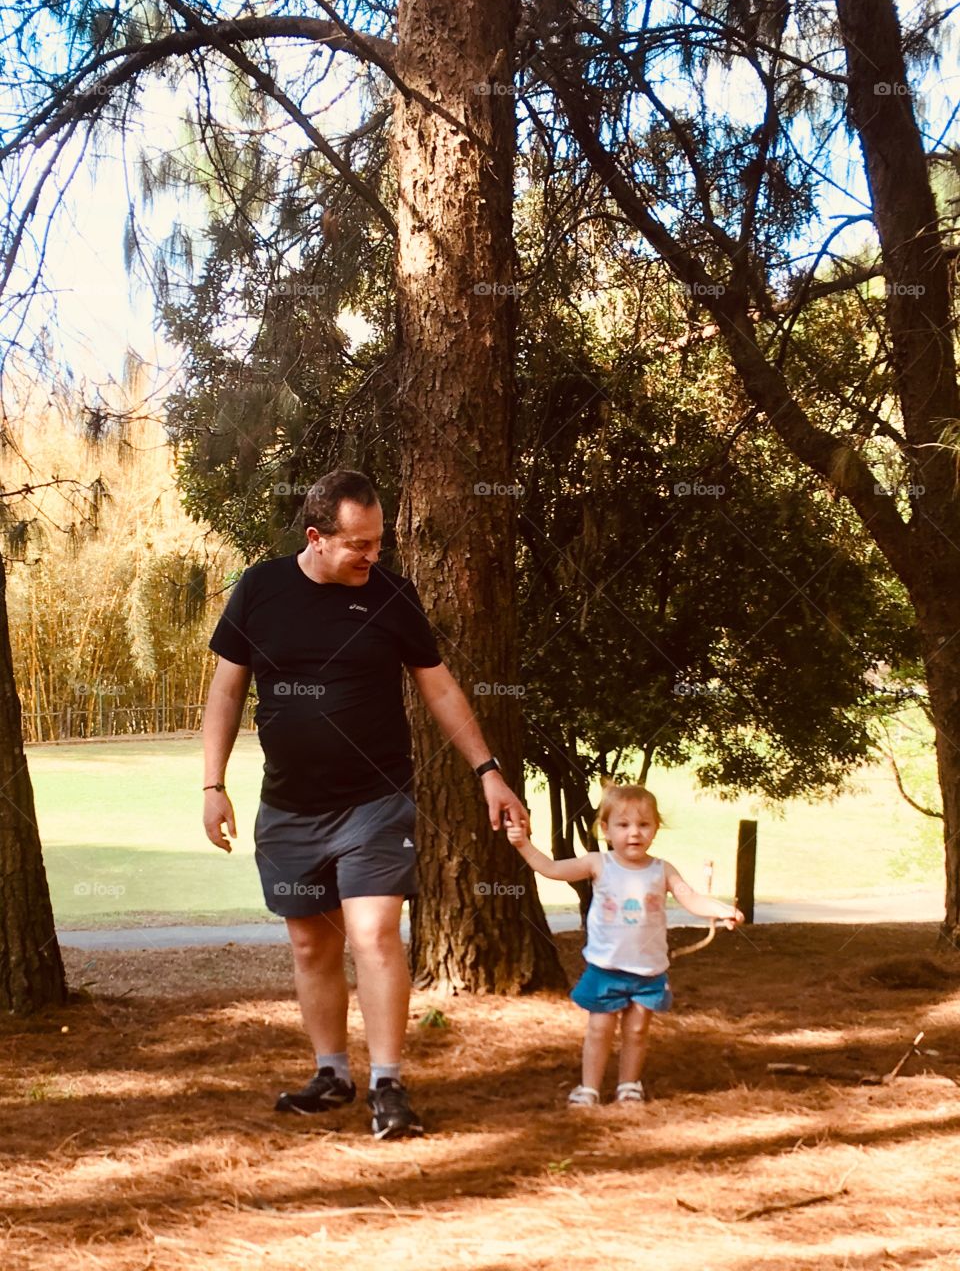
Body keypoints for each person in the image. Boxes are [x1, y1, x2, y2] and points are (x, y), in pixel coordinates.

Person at [202, 468, 527, 1139]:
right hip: (289, 806)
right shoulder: (260, 590)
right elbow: (226, 692)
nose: (372, 559)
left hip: (376, 801)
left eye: (379, 544)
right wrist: (213, 784)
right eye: (360, 546)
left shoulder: (391, 596)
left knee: (375, 935)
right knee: (309, 943)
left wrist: (488, 770)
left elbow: (439, 690)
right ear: (317, 537)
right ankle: (332, 1074)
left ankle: (387, 1084)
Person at [506, 782, 742, 1106]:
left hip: (648, 971)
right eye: (623, 825)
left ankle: (629, 1085)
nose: (634, 833)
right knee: (600, 1029)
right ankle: (589, 1088)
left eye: (644, 825)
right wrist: (522, 844)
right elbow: (550, 868)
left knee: (637, 1031)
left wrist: (720, 910)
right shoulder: (598, 863)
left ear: (656, 829)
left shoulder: (662, 869)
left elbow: (690, 898)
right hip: (606, 969)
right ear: (605, 829)